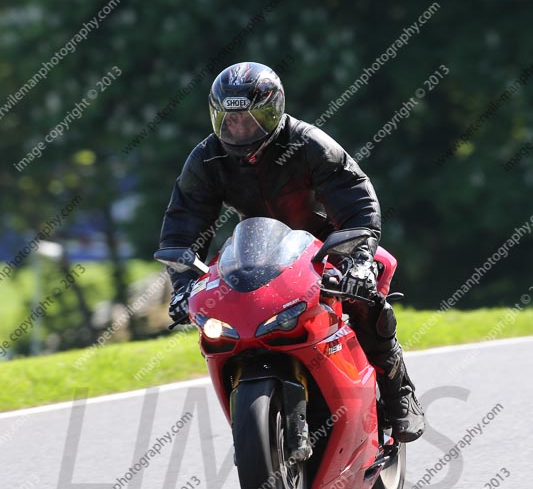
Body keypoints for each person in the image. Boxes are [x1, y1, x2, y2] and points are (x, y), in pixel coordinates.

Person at [158, 61, 425, 443]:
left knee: (367, 303)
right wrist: (184, 281)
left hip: (325, 245)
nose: (238, 128)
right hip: (257, 252)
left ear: (272, 112)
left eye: (249, 118)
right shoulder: (207, 158)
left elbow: (354, 197)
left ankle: (399, 392)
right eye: (229, 119)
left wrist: (359, 256)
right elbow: (185, 220)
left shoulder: (308, 143)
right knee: (226, 320)